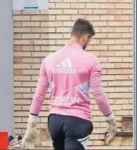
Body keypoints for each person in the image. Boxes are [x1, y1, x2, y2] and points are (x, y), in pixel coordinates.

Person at [21, 19, 117, 150]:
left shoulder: (49, 59)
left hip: (55, 122)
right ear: (85, 37)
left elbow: (39, 94)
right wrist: (110, 119)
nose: (88, 44)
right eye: (89, 40)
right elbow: (98, 94)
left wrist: (31, 125)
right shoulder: (91, 60)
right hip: (77, 121)